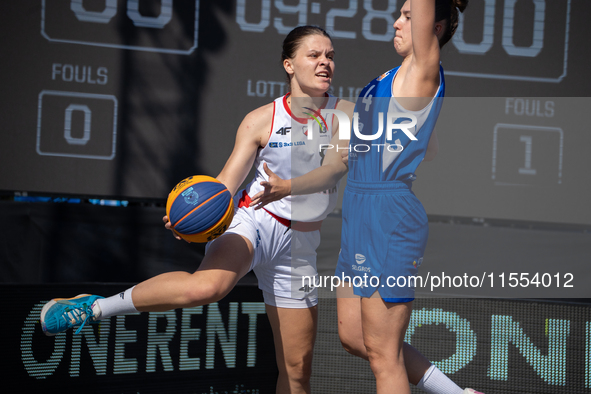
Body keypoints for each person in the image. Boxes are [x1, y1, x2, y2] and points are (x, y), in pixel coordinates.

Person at [252, 1, 484, 393]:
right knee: (354, 337)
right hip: (361, 208)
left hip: (387, 212)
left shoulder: (422, 67)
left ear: (434, 26)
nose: (397, 22)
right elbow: (430, 148)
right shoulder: (394, 78)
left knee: (383, 354)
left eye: (409, 16)